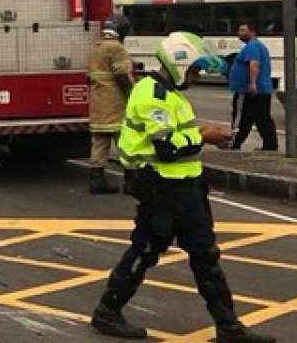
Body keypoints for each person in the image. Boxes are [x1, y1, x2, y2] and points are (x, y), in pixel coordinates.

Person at [89, 32, 274, 343]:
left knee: (203, 255)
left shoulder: (168, 93)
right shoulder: (153, 96)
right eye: (194, 70)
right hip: (161, 188)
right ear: (178, 66)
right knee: (148, 251)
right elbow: (167, 148)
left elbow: (174, 135)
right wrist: (204, 136)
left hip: (184, 188)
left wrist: (203, 133)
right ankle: (107, 313)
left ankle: (228, 327)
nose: (197, 76)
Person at [86, 17, 134, 195]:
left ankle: (96, 180)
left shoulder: (95, 48)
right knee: (125, 141)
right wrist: (133, 95)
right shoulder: (116, 48)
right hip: (115, 103)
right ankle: (131, 181)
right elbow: (122, 75)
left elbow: (89, 77)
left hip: (98, 102)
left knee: (99, 143)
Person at [229, 23, 278, 151]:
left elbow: (254, 64)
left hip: (249, 91)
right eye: (239, 30)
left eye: (243, 30)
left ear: (252, 32)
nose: (239, 32)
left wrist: (253, 83)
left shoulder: (252, 46)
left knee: (242, 118)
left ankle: (235, 143)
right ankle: (270, 145)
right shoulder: (257, 46)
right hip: (261, 90)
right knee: (259, 118)